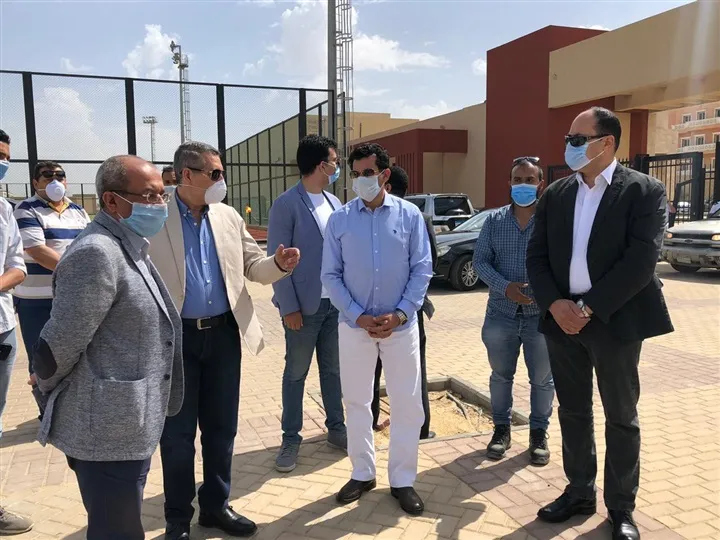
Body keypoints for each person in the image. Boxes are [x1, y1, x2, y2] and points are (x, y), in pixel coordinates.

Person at [527, 107, 673, 540]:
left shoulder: (644, 191)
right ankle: (579, 492)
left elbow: (641, 262)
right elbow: (536, 256)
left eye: (577, 139)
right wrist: (556, 305)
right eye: (568, 139)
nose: (568, 147)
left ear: (606, 143)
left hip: (615, 320)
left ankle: (621, 507)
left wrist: (588, 309)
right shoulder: (556, 194)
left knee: (621, 416)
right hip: (562, 321)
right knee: (572, 411)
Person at [149, 141, 300, 540]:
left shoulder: (228, 216)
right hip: (175, 339)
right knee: (178, 436)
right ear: (187, 175)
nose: (222, 180)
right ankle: (177, 519)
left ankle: (215, 507)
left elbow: (253, 265)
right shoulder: (155, 216)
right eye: (214, 173)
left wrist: (278, 265)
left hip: (223, 336)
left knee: (221, 429)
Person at [33, 155, 184, 539]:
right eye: (148, 196)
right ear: (112, 201)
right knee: (116, 532)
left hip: (124, 424)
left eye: (162, 195)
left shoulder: (128, 245)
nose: (159, 204)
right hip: (104, 429)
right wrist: (45, 387)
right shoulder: (97, 252)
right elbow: (60, 344)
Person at [322, 143, 432, 516]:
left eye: (368, 173)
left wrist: (400, 314)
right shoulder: (340, 220)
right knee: (357, 401)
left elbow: (422, 269)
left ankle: (402, 480)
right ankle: (362, 473)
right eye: (355, 174)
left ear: (385, 174)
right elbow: (330, 275)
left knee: (407, 403)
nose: (361, 180)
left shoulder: (410, 216)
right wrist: (357, 315)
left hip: (400, 327)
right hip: (355, 328)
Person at [267, 135, 347, 473]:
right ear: (321, 165)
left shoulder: (334, 202)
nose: (337, 167)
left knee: (333, 371)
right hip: (303, 307)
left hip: (335, 305)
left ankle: (337, 429)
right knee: (296, 374)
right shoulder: (286, 204)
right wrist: (289, 307)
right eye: (334, 162)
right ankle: (290, 439)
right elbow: (277, 260)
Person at [472, 157, 554, 466]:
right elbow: (480, 261)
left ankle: (538, 433)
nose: (523, 185)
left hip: (541, 316)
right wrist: (505, 287)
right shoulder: (494, 221)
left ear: (540, 184)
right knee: (501, 375)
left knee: (542, 379)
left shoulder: (551, 222)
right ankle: (501, 430)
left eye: (529, 180)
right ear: (509, 183)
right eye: (517, 179)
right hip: (500, 314)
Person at [13, 161, 90, 418]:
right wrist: (78, 271)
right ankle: (47, 416)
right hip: (37, 301)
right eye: (47, 176)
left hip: (72, 297)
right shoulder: (26, 209)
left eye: (60, 176)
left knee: (73, 356)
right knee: (42, 360)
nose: (55, 181)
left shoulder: (78, 211)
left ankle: (71, 413)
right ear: (36, 182)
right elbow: (37, 250)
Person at [370, 165, 436, 440]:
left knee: (377, 370)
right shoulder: (420, 218)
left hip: (388, 311)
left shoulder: (411, 218)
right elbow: (431, 264)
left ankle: (375, 421)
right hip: (405, 310)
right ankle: (420, 428)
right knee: (413, 372)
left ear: (387, 185)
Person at [0, 129, 33, 535]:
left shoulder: (4, 210)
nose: (3, 163)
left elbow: (17, 265)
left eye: (6, 157)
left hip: (2, 330)